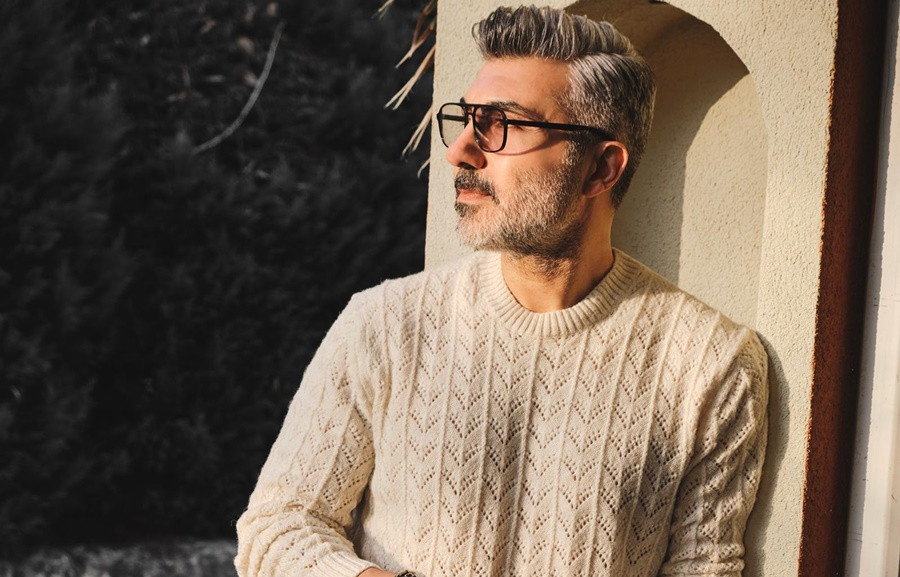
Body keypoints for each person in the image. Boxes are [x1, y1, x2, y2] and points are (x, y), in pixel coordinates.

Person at [235, 5, 768, 577]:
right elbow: (278, 527)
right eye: (467, 120)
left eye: (501, 125)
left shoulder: (711, 365)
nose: (459, 151)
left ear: (599, 169)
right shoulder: (385, 325)